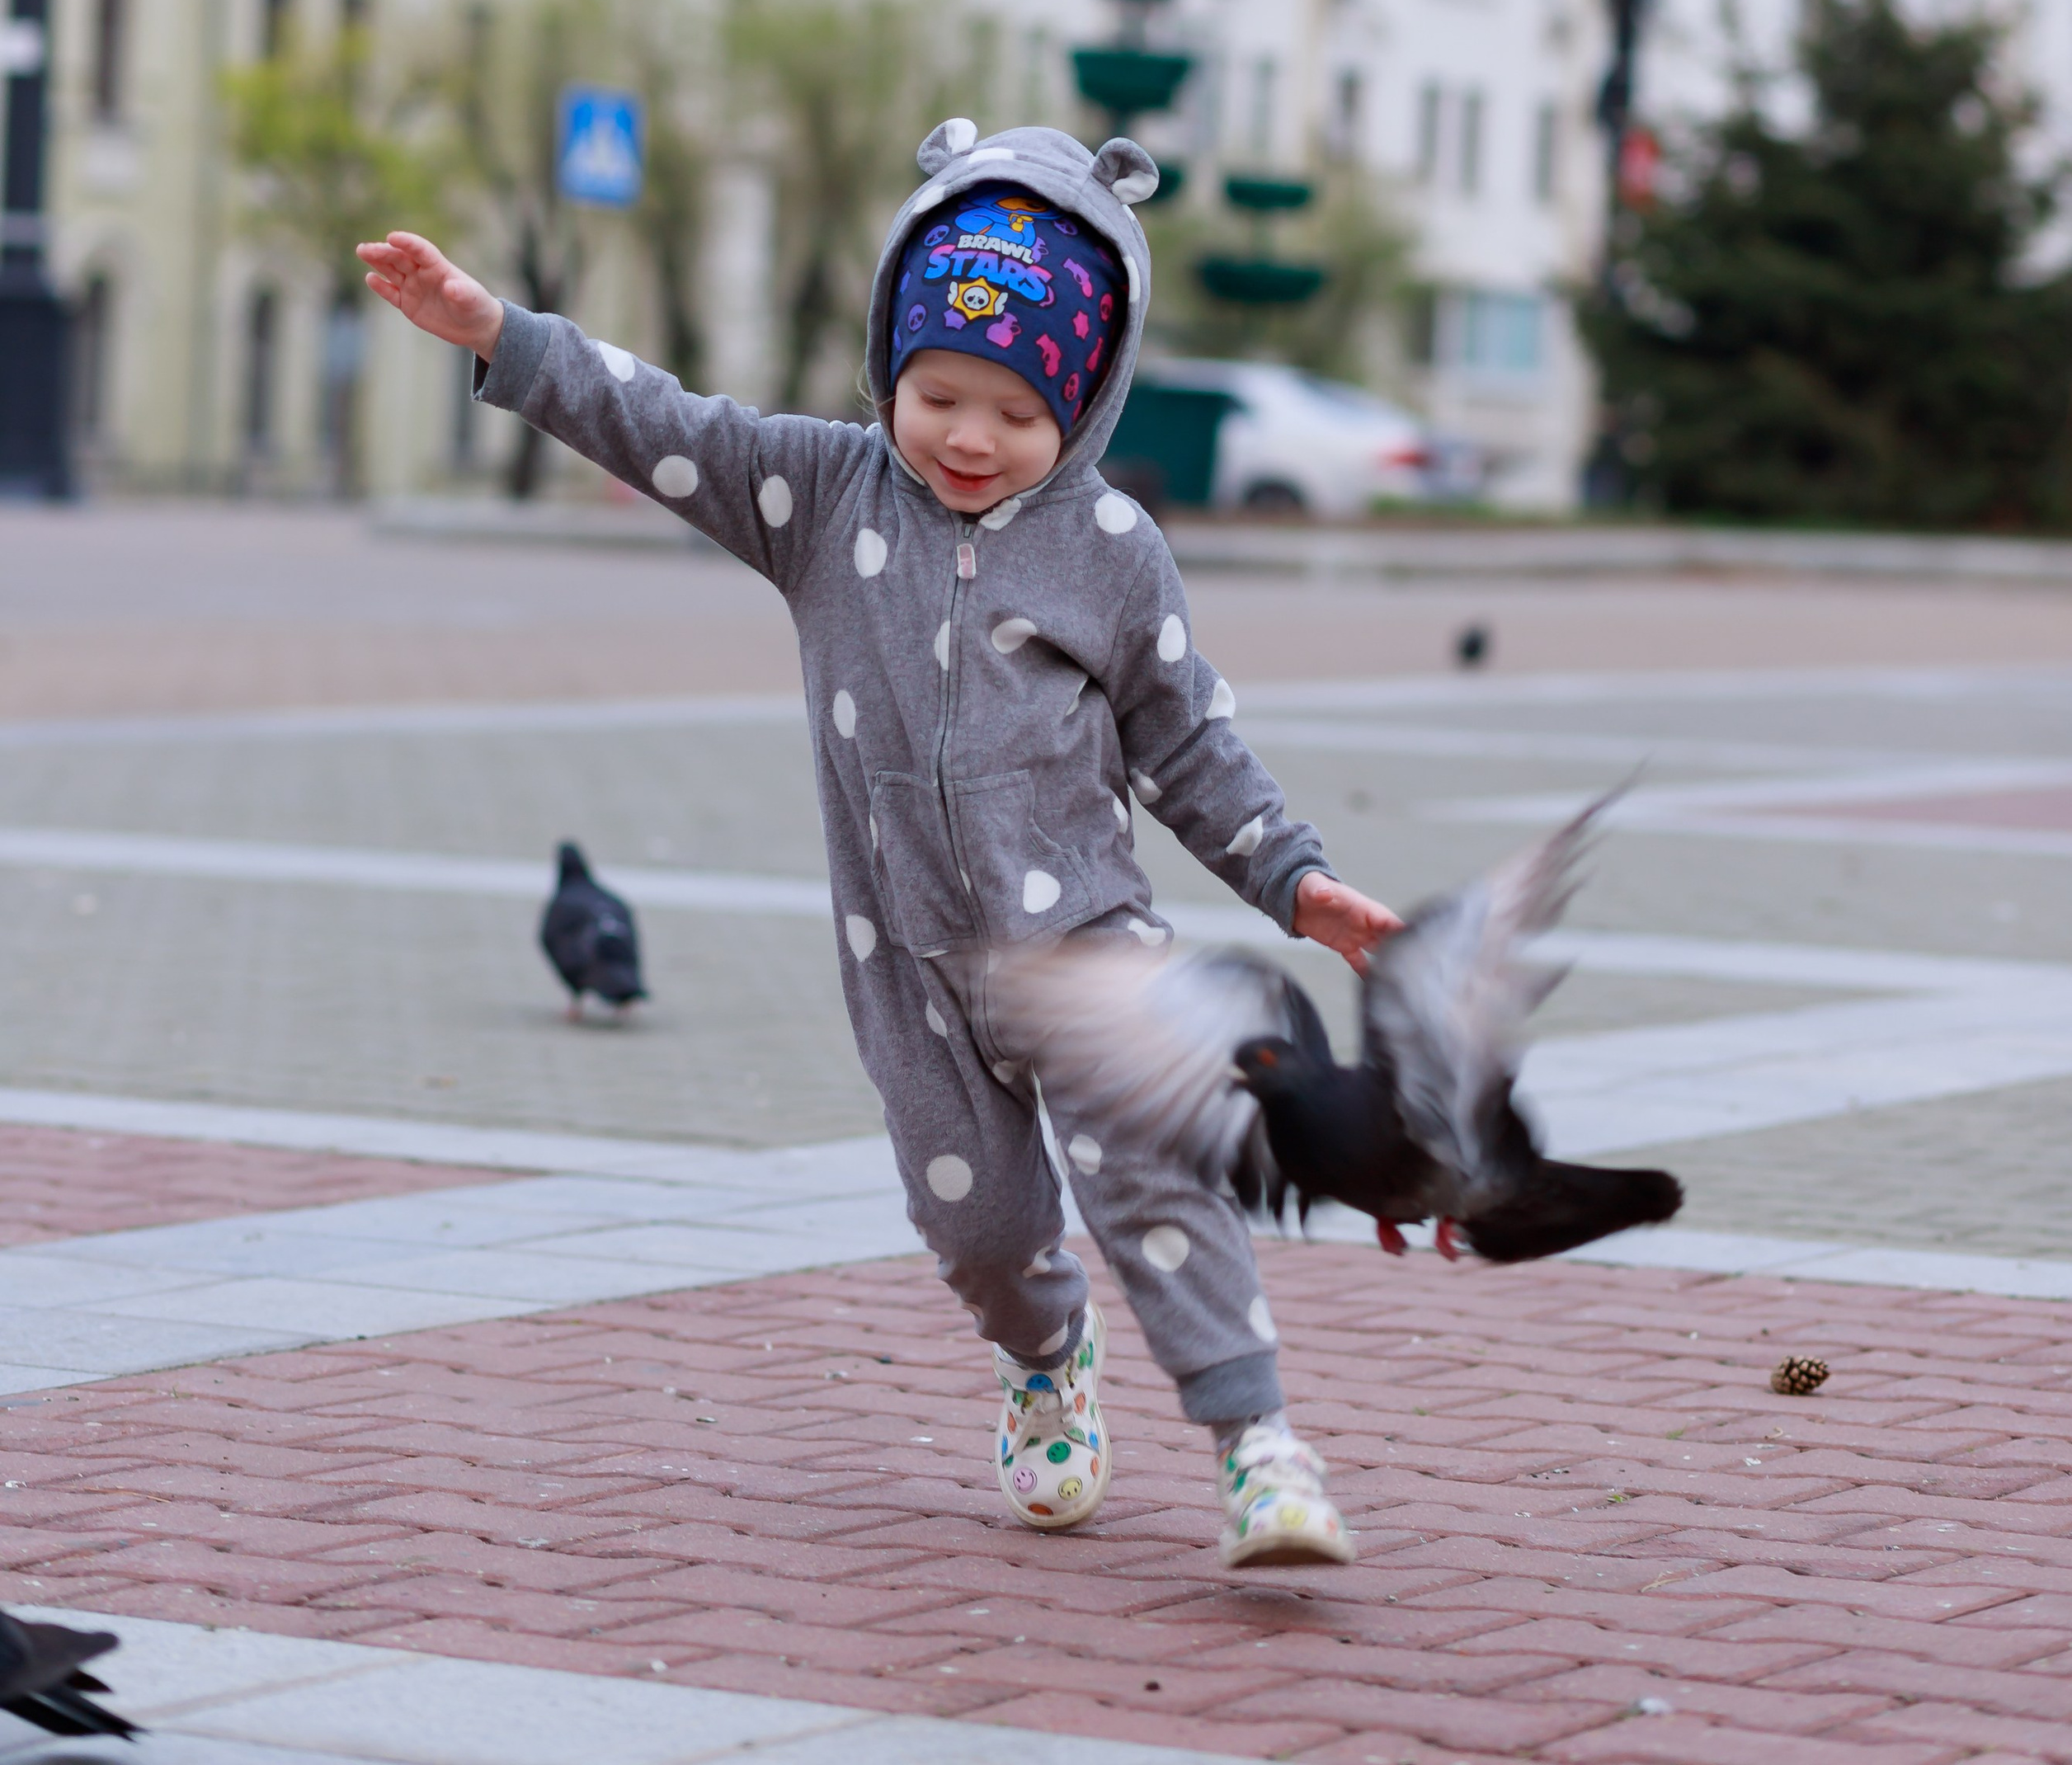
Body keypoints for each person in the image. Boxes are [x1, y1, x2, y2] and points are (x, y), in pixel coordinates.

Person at [358, 115, 1399, 1569]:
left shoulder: (1108, 547)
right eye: (939, 394)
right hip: (906, 959)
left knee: (1156, 1174)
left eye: (1016, 414)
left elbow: (1189, 741)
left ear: (1082, 403)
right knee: (978, 1234)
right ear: (890, 371)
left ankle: (1260, 1448)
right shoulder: (824, 497)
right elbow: (665, 426)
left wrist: (1296, 878)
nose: (969, 439)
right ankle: (1046, 1362)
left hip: (1090, 946)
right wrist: (498, 334)